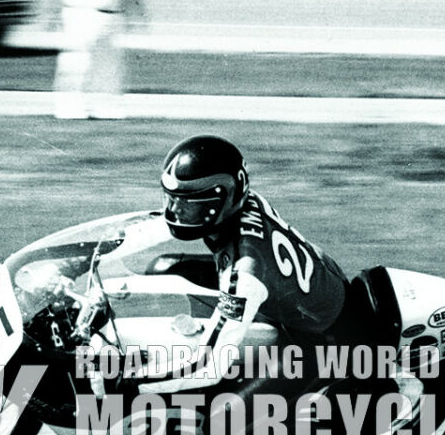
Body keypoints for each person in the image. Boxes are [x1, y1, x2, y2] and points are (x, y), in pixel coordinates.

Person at [130, 136, 348, 395]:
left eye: (188, 202)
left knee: (225, 424)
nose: (174, 210)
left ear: (220, 200)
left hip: (315, 338)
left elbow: (208, 367)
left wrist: (132, 382)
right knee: (163, 267)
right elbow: (155, 227)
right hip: (305, 289)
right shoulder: (242, 202)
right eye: (171, 198)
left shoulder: (246, 271)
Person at [48, 0, 143, 119]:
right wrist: (51, 15)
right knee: (75, 63)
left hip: (109, 17)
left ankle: (107, 109)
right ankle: (68, 108)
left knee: (108, 67)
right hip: (77, 14)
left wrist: (132, 18)